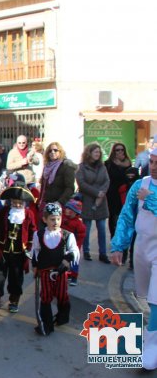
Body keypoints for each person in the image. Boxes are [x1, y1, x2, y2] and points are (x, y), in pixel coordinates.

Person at [110, 149, 157, 371]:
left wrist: (153, 199)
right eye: (153, 162)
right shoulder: (140, 185)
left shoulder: (146, 191)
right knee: (147, 295)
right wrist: (119, 246)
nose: (154, 166)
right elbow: (127, 216)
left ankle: (151, 346)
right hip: (142, 249)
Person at [0, 176, 37, 313]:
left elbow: (33, 232)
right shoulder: (4, 211)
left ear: (24, 202)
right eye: (15, 202)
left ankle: (14, 301)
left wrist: (30, 248)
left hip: (19, 253)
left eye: (20, 203)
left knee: (16, 279)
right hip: (2, 250)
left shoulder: (29, 215)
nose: (17, 205)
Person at [31, 203, 80, 336]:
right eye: (52, 219)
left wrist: (68, 258)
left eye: (58, 219)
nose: (56, 222)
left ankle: (62, 317)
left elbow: (74, 250)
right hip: (45, 271)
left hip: (61, 272)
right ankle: (46, 325)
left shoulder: (67, 235)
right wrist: (35, 266)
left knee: (62, 295)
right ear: (45, 219)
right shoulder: (39, 235)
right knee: (46, 297)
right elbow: (35, 250)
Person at [75, 142, 110, 263]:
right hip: (88, 200)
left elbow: (107, 180)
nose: (98, 154)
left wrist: (102, 192)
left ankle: (103, 253)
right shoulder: (81, 167)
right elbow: (81, 183)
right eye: (95, 152)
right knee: (87, 228)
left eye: (99, 152)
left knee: (101, 229)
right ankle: (86, 251)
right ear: (89, 153)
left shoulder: (102, 166)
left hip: (101, 201)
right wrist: (96, 192)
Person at [38, 141, 77, 212]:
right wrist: (40, 201)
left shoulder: (66, 166)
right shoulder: (46, 167)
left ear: (60, 152)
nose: (52, 152)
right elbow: (43, 187)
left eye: (55, 150)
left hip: (60, 205)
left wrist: (60, 202)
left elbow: (70, 188)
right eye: (50, 151)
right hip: (46, 203)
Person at [105, 142, 132, 238]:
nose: (120, 151)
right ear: (113, 151)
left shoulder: (128, 163)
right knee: (113, 217)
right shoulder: (108, 163)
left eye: (122, 149)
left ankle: (123, 238)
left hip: (125, 194)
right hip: (112, 194)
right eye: (117, 150)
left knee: (124, 216)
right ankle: (114, 237)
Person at [118, 166, 140, 269]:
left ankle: (131, 261)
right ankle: (123, 258)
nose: (130, 178)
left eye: (132, 176)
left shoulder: (141, 189)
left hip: (137, 218)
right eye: (128, 176)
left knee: (135, 241)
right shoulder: (123, 188)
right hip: (127, 216)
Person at [60, 199, 86, 286]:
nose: (67, 210)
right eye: (66, 208)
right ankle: (63, 274)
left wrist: (76, 247)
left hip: (72, 245)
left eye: (69, 209)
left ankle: (74, 277)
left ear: (75, 212)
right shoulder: (62, 218)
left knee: (74, 262)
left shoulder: (79, 224)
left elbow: (80, 237)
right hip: (61, 244)